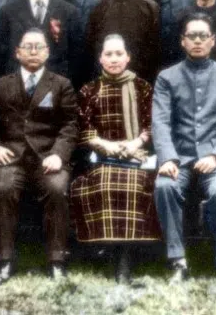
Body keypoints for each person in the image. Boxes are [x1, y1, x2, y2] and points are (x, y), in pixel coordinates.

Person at [153, 12, 216, 283]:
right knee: (165, 186)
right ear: (183, 41)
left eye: (203, 36)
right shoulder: (167, 78)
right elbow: (160, 123)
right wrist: (168, 158)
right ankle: (178, 260)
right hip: (179, 156)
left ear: (213, 41)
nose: (197, 41)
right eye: (191, 36)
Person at [0, 29, 78, 284]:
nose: (33, 51)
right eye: (27, 46)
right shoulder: (1, 84)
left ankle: (56, 261)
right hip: (12, 156)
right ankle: (5, 260)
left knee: (56, 188)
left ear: (47, 52)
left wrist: (58, 155)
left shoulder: (61, 84)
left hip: (47, 156)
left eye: (38, 47)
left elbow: (70, 125)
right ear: (17, 52)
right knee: (3, 188)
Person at [70, 34, 159, 283]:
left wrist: (135, 143)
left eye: (119, 54)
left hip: (137, 155)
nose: (114, 59)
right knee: (104, 183)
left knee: (136, 185)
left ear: (128, 57)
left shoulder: (143, 87)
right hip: (102, 157)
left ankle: (126, 260)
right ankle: (107, 252)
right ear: (100, 59)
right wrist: (108, 147)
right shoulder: (89, 90)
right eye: (108, 54)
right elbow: (85, 129)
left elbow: (151, 125)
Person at [85, 0, 161, 85]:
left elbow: (155, 54)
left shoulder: (150, 8)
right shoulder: (99, 9)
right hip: (105, 82)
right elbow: (92, 52)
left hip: (141, 82)